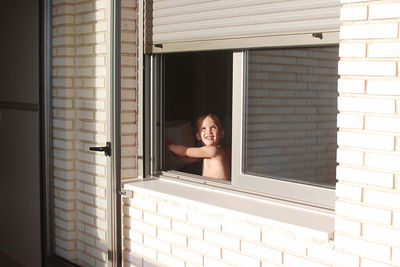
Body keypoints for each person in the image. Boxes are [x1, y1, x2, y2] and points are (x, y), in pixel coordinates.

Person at [166, 113, 231, 181]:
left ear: (221, 133)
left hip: (218, 190)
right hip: (210, 188)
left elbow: (185, 151)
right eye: (203, 128)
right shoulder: (207, 154)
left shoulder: (215, 151)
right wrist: (170, 148)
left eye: (213, 127)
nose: (208, 131)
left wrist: (168, 144)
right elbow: (184, 159)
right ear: (198, 136)